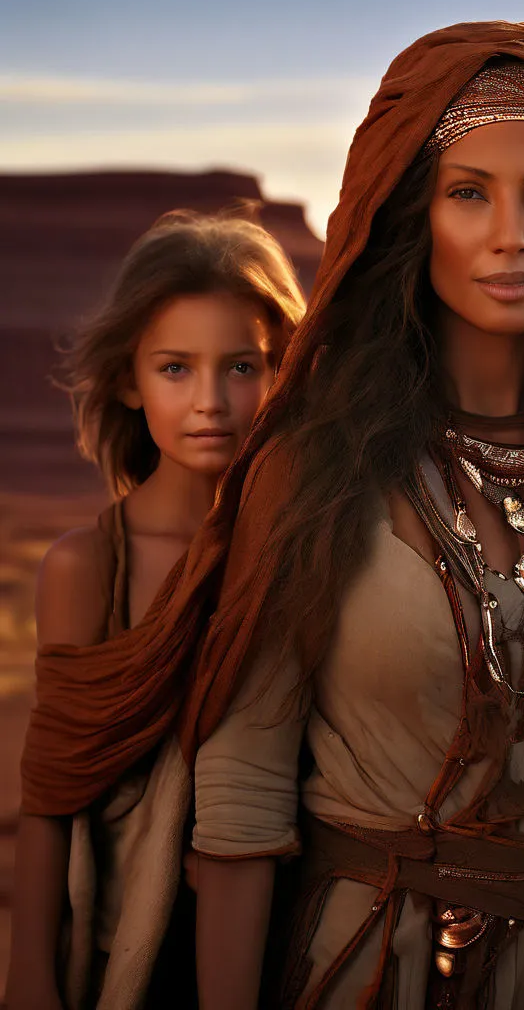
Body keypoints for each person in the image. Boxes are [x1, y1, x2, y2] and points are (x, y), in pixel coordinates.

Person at [19, 21, 524, 1009]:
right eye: (467, 194)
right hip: (364, 966)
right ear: (411, 212)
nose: (512, 235)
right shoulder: (315, 468)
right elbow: (241, 804)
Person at [7, 212, 304, 1010]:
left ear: (281, 375)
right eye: (175, 369)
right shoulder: (89, 566)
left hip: (296, 937)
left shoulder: (307, 556)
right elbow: (52, 788)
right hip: (127, 946)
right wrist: (30, 970)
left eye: (241, 367)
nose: (211, 401)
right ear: (130, 382)